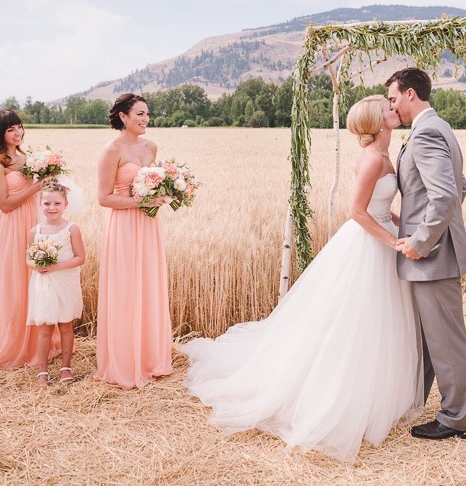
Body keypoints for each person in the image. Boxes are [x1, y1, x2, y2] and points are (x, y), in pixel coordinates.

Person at [181, 95, 422, 461]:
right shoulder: (374, 158)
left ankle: (374, 395)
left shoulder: (387, 155)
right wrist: (393, 241)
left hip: (382, 241)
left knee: (378, 322)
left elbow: (379, 207)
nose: (395, 108)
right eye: (388, 107)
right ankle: (338, 398)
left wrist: (404, 228)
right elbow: (357, 211)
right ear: (378, 119)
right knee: (355, 321)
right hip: (367, 247)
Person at [386, 67, 466, 440]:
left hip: (433, 256)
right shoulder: (439, 127)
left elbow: (446, 196)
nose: (392, 105)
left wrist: (421, 240)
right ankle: (420, 400)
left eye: (393, 98)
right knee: (429, 337)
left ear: (409, 94)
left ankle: (456, 419)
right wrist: (411, 218)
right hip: (437, 249)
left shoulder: (425, 133)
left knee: (446, 339)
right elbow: (460, 188)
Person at [95, 93, 173, 389]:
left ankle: (150, 358)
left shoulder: (151, 147)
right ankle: (125, 361)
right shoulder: (111, 150)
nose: (145, 119)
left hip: (149, 225)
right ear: (123, 117)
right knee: (126, 287)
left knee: (148, 284)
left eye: (148, 114)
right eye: (139, 114)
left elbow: (155, 184)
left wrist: (164, 196)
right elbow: (104, 198)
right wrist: (140, 202)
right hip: (125, 225)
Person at [0, 109, 54, 369]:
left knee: (36, 281)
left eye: (19, 127)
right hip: (12, 226)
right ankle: (14, 346)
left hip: (34, 222)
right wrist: (35, 186)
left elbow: (39, 192)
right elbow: (4, 204)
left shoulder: (27, 157)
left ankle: (39, 343)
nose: (18, 133)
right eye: (11, 129)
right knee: (14, 283)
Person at [26, 178, 85, 386]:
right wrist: (36, 265)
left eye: (57, 203)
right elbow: (28, 258)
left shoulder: (71, 229)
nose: (52, 208)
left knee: (66, 325)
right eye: (47, 203)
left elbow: (80, 257)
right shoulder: (36, 231)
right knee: (45, 328)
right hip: (44, 284)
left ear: (65, 204)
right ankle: (42, 371)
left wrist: (55, 267)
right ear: (40, 204)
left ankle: (65, 368)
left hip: (65, 281)